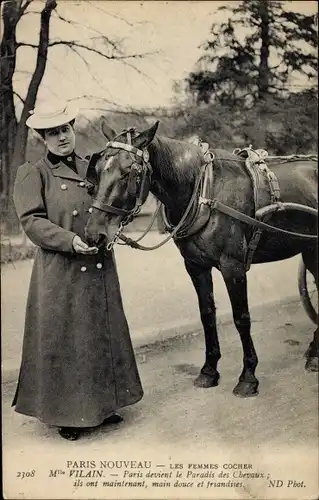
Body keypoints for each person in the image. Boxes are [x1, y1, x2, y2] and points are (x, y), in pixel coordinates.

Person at [12, 101, 143, 441]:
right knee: (68, 338)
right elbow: (31, 222)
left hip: (98, 264)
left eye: (65, 130)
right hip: (61, 268)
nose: (61, 137)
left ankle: (102, 406)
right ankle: (68, 415)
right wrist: (69, 240)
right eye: (52, 133)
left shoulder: (92, 166)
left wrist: (113, 228)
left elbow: (112, 203)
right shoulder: (34, 172)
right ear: (43, 139)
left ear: (72, 131)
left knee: (100, 332)